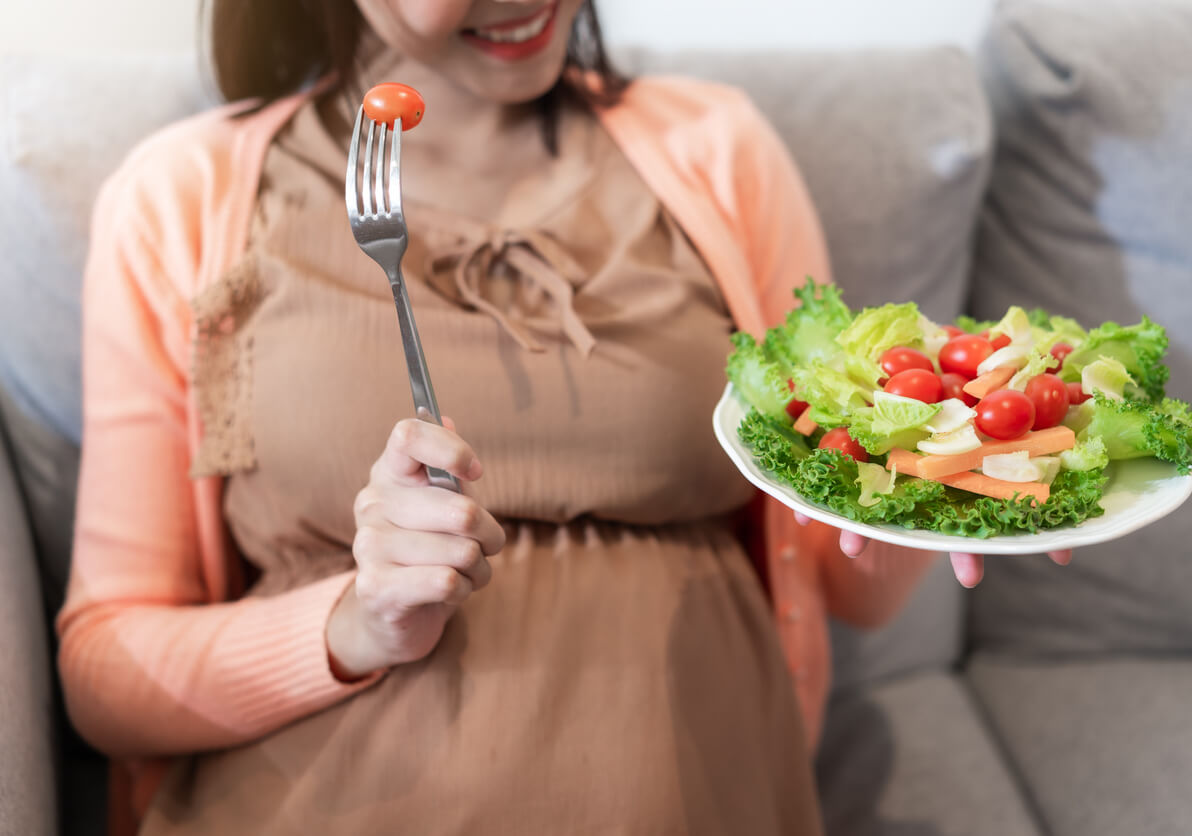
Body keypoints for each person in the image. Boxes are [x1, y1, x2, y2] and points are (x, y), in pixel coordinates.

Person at [57, 1, 1072, 833]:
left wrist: (935, 478)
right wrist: (351, 624)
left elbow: (854, 586)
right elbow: (104, 670)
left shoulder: (719, 151)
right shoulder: (180, 200)